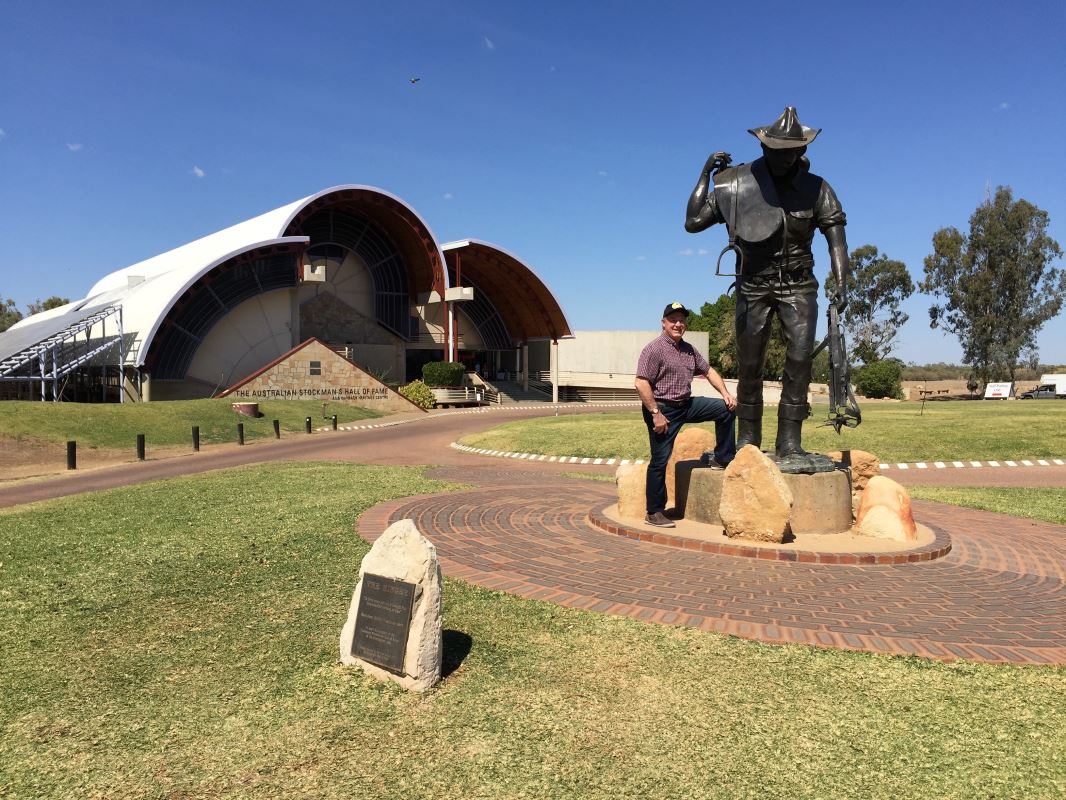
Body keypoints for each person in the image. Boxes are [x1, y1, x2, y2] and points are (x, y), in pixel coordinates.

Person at [684, 107, 849, 472]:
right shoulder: (736, 184)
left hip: (799, 285)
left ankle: (790, 443)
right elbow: (693, 222)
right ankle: (747, 442)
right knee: (750, 365)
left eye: (785, 151)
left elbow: (836, 240)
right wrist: (705, 175)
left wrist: (842, 281)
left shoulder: (817, 189)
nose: (777, 157)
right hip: (752, 285)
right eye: (771, 150)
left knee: (800, 360)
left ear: (799, 153)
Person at [635, 302, 737, 527]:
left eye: (681, 320)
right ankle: (654, 512)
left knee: (726, 409)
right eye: (673, 320)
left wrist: (726, 393)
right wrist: (656, 413)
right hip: (663, 409)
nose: (678, 324)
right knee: (660, 460)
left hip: (686, 405)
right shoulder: (654, 349)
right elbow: (641, 383)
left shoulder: (689, 350)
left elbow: (708, 371)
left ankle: (723, 457)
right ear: (664, 323)